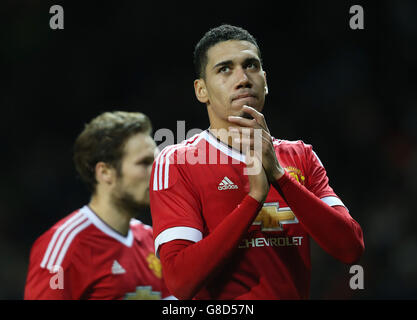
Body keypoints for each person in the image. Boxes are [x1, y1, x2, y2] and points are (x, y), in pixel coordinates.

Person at [149, 24, 365, 300]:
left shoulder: (301, 156)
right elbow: (180, 281)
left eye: (251, 65)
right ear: (201, 90)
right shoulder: (178, 161)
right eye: (225, 69)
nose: (243, 78)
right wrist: (253, 200)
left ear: (265, 79)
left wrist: (280, 176)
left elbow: (350, 247)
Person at [25, 111, 173, 300]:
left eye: (156, 161)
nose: (156, 171)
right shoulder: (66, 246)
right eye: (144, 163)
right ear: (105, 172)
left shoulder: (154, 242)